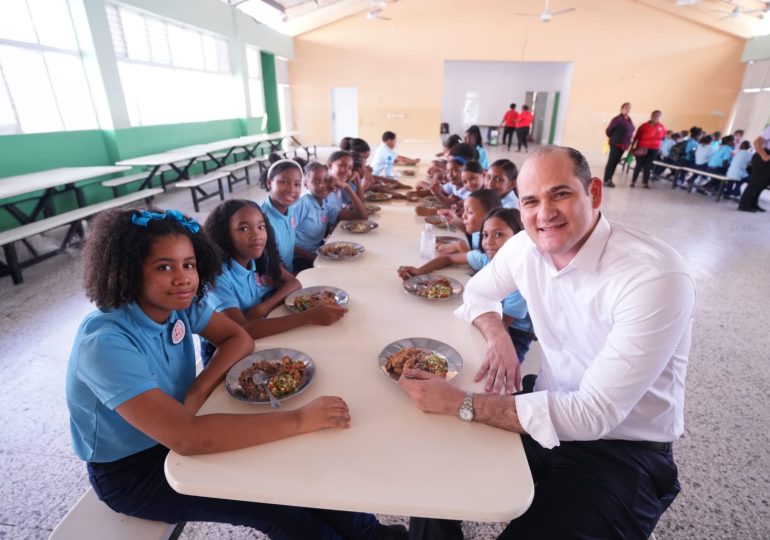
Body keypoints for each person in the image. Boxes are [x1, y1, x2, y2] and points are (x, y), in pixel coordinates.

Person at [400, 145, 694, 540]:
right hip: (546, 405)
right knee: (430, 474)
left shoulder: (653, 276)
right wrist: (498, 334)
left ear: (594, 191)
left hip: (624, 450)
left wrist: (461, 403)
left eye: (560, 194)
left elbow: (595, 414)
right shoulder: (525, 248)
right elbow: (477, 296)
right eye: (531, 201)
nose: (544, 214)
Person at [66, 208, 404, 540]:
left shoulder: (181, 302)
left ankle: (372, 534)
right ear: (128, 271)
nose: (183, 277)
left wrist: (195, 394)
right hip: (133, 470)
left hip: (184, 420)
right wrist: (299, 419)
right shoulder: (105, 344)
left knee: (297, 466)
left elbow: (238, 338)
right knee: (269, 505)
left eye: (189, 265)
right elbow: (184, 437)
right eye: (164, 267)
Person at [203, 198, 347, 345]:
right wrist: (308, 316)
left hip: (260, 330)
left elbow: (294, 283)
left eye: (261, 227)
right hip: (225, 350)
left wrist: (263, 308)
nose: (256, 235)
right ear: (224, 234)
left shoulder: (258, 258)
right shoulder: (217, 277)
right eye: (244, 228)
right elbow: (241, 329)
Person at [398, 208, 532, 363]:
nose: (489, 241)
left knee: (492, 369)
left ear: (518, 239)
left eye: (499, 234)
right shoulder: (486, 258)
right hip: (490, 316)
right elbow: (448, 259)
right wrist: (419, 271)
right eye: (485, 235)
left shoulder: (520, 279)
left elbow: (501, 327)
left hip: (514, 332)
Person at [294, 160, 366, 271]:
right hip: (299, 260)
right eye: (316, 181)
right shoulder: (303, 203)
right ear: (306, 184)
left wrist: (347, 187)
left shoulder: (324, 205)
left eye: (326, 180)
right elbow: (285, 242)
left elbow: (361, 216)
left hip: (317, 254)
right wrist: (316, 259)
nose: (323, 185)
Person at [259, 159, 303, 273]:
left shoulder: (291, 209)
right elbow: (266, 265)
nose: (291, 189)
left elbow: (288, 246)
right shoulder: (261, 219)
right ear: (269, 183)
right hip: (274, 283)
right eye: (284, 182)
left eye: (297, 184)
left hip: (290, 273)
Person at [629, 110, 666, 188]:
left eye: (658, 115)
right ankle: (633, 181)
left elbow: (663, 138)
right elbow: (636, 137)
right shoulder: (644, 126)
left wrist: (660, 149)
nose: (656, 117)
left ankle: (645, 183)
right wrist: (632, 148)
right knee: (638, 165)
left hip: (654, 149)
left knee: (648, 166)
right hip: (642, 148)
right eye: (655, 115)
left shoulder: (661, 127)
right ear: (651, 116)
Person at [602, 102, 635, 188]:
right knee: (611, 162)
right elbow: (608, 131)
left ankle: (610, 179)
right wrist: (615, 138)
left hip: (624, 145)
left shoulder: (628, 119)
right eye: (626, 107)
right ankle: (606, 180)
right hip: (616, 144)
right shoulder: (617, 119)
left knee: (615, 162)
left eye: (629, 108)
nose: (628, 109)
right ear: (622, 108)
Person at [738, 127, 770, 213]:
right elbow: (757, 142)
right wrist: (765, 156)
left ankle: (753, 203)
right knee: (755, 182)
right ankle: (744, 204)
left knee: (763, 184)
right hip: (763, 155)